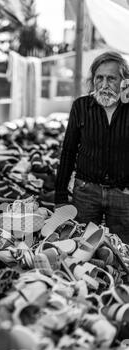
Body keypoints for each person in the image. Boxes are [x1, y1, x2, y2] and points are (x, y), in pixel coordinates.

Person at [55, 51, 129, 243]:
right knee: (80, 246)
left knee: (122, 252)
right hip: (86, 192)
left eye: (111, 78)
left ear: (124, 81)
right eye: (99, 78)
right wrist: (60, 196)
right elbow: (69, 152)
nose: (104, 85)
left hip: (123, 195)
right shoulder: (81, 107)